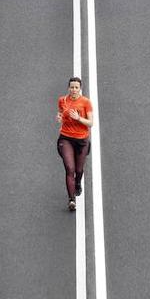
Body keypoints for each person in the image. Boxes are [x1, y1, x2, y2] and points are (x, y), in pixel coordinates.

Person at [56, 77, 93, 212]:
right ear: (68, 88)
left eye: (76, 87)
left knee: (79, 170)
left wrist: (78, 118)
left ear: (80, 88)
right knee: (70, 168)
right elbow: (61, 114)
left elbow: (91, 123)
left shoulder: (86, 102)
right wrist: (59, 118)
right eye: (72, 87)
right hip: (66, 138)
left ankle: (78, 183)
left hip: (82, 140)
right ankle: (71, 199)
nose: (74, 90)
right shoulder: (62, 100)